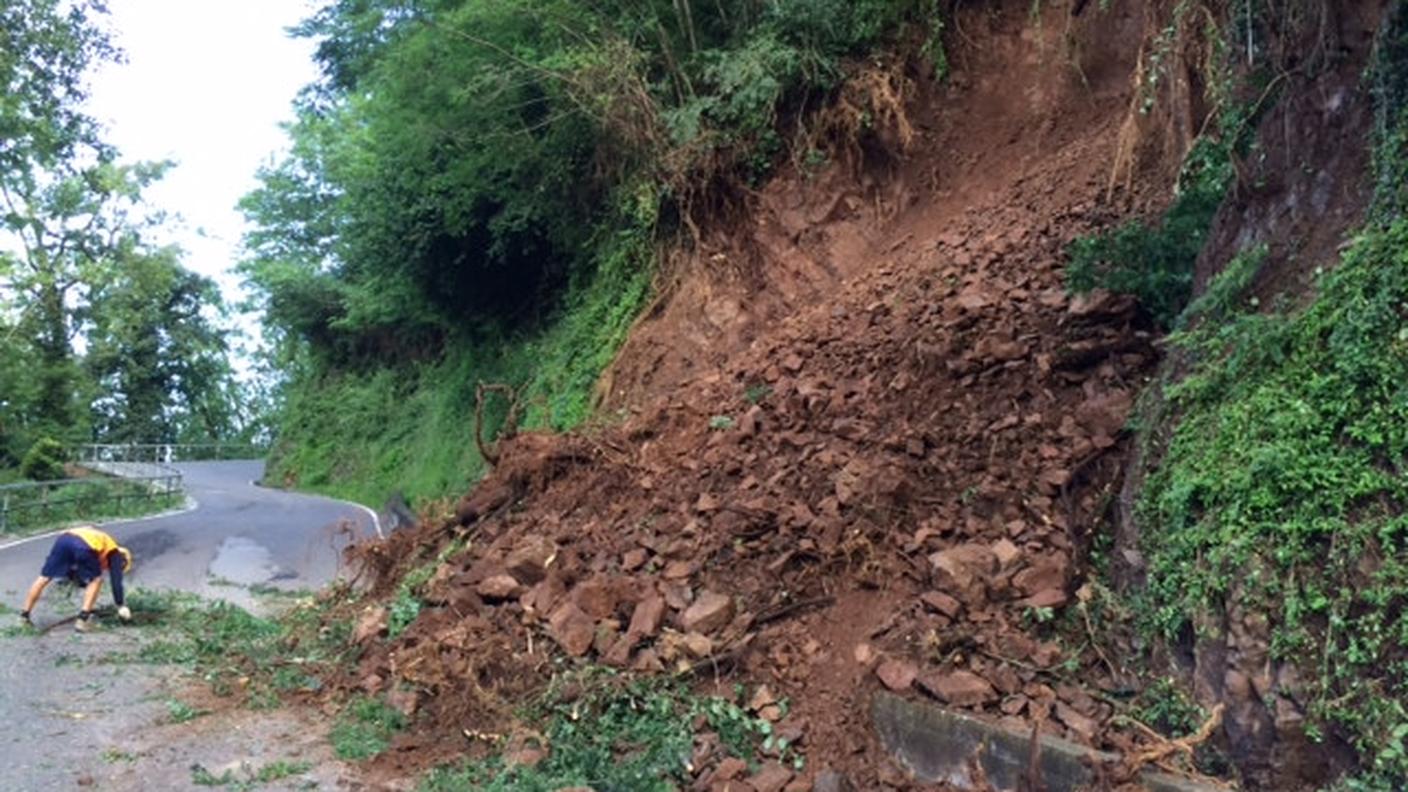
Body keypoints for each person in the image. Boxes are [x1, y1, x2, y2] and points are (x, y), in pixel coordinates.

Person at [19, 525, 133, 632]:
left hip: (63, 540)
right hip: (84, 545)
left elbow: (74, 567)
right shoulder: (115, 554)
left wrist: (78, 580)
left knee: (44, 578)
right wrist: (120, 605)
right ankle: (82, 620)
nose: (108, 568)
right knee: (97, 580)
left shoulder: (100, 541)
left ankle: (24, 616)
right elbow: (116, 581)